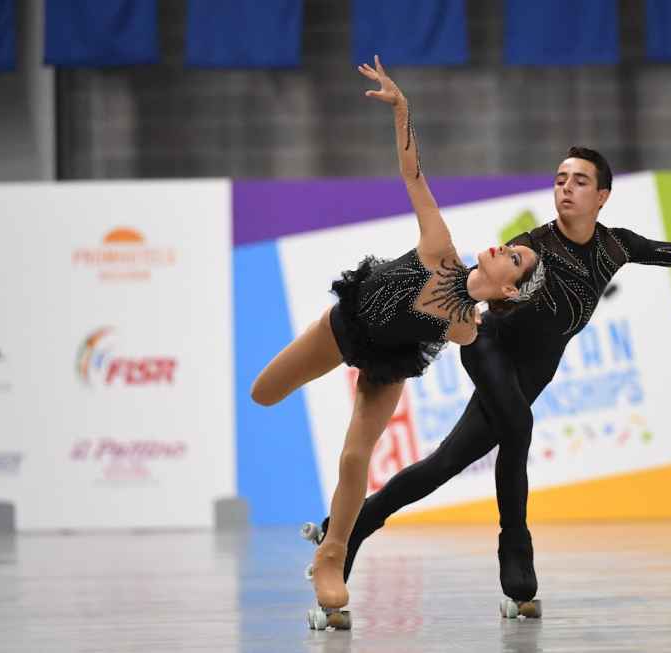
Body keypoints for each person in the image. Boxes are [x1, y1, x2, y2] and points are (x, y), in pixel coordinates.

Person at [312, 142, 671, 614]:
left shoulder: (616, 246)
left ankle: (349, 528)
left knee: (445, 463)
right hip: (489, 349)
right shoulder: (531, 246)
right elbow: (489, 288)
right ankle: (515, 546)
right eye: (559, 179)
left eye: (579, 181)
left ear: (602, 196)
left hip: (534, 371)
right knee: (518, 429)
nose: (566, 188)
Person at [250, 56, 545, 624]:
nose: (503, 248)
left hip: (388, 365)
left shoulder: (466, 328)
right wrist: (402, 109)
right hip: (344, 327)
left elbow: (492, 385)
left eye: (514, 259)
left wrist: (511, 422)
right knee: (263, 394)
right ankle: (331, 547)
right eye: (511, 245)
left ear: (508, 290)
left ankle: (331, 557)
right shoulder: (440, 246)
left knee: (356, 456)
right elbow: (413, 174)